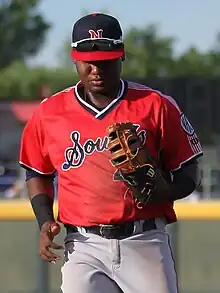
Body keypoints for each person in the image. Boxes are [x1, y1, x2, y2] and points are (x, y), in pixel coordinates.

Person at [19, 13, 203, 293]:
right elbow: (36, 172)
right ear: (75, 59)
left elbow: (190, 171)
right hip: (82, 245)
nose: (97, 68)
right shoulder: (48, 113)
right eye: (88, 61)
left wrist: (165, 190)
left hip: (145, 239)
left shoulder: (155, 105)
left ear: (122, 56)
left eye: (106, 60)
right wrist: (45, 221)